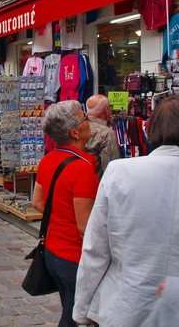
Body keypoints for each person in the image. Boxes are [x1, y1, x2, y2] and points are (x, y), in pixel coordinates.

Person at [74, 96, 179, 327]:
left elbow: (96, 250)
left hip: (126, 306)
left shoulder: (120, 172)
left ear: (150, 130)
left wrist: (81, 311)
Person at [32, 100, 98, 327]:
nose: (89, 120)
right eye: (85, 117)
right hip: (73, 256)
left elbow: (38, 202)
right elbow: (84, 226)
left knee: (69, 309)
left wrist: (60, 216)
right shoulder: (82, 168)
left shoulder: (49, 159)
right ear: (75, 132)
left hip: (52, 250)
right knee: (74, 317)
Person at [84, 94, 121, 179]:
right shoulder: (106, 133)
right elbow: (110, 169)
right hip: (96, 186)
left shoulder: (76, 128)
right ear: (106, 110)